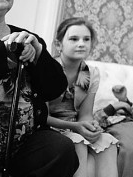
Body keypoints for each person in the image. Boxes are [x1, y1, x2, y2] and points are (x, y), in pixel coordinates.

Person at [0, 0, 78, 177]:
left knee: (60, 149)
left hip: (23, 140)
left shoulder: (27, 37)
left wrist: (39, 53)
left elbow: (55, 89)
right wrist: (3, 50)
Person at [47, 17, 119, 177]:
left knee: (108, 142)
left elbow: (85, 114)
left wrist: (91, 126)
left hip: (75, 125)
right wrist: (76, 127)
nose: (81, 44)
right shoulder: (47, 69)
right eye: (74, 39)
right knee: (78, 142)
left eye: (86, 39)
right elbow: (40, 116)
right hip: (49, 126)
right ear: (58, 44)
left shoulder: (92, 73)